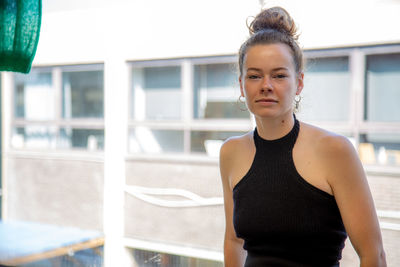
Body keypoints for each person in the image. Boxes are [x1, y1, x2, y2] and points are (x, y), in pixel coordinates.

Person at [219, 6, 387, 267]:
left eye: (279, 75)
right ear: (242, 85)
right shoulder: (231, 152)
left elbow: (373, 255)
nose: (266, 85)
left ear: (299, 83)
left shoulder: (334, 150)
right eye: (254, 76)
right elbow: (234, 241)